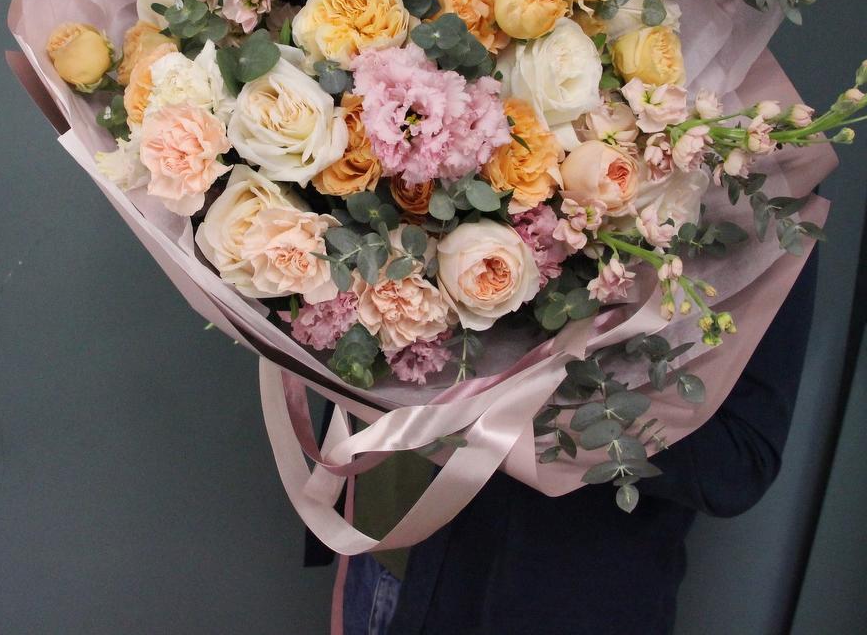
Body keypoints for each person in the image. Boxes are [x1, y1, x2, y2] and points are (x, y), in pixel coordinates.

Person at [329, 248, 819, 635]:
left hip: (530, 597)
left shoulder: (755, 192)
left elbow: (738, 462)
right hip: (377, 545)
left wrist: (546, 380)